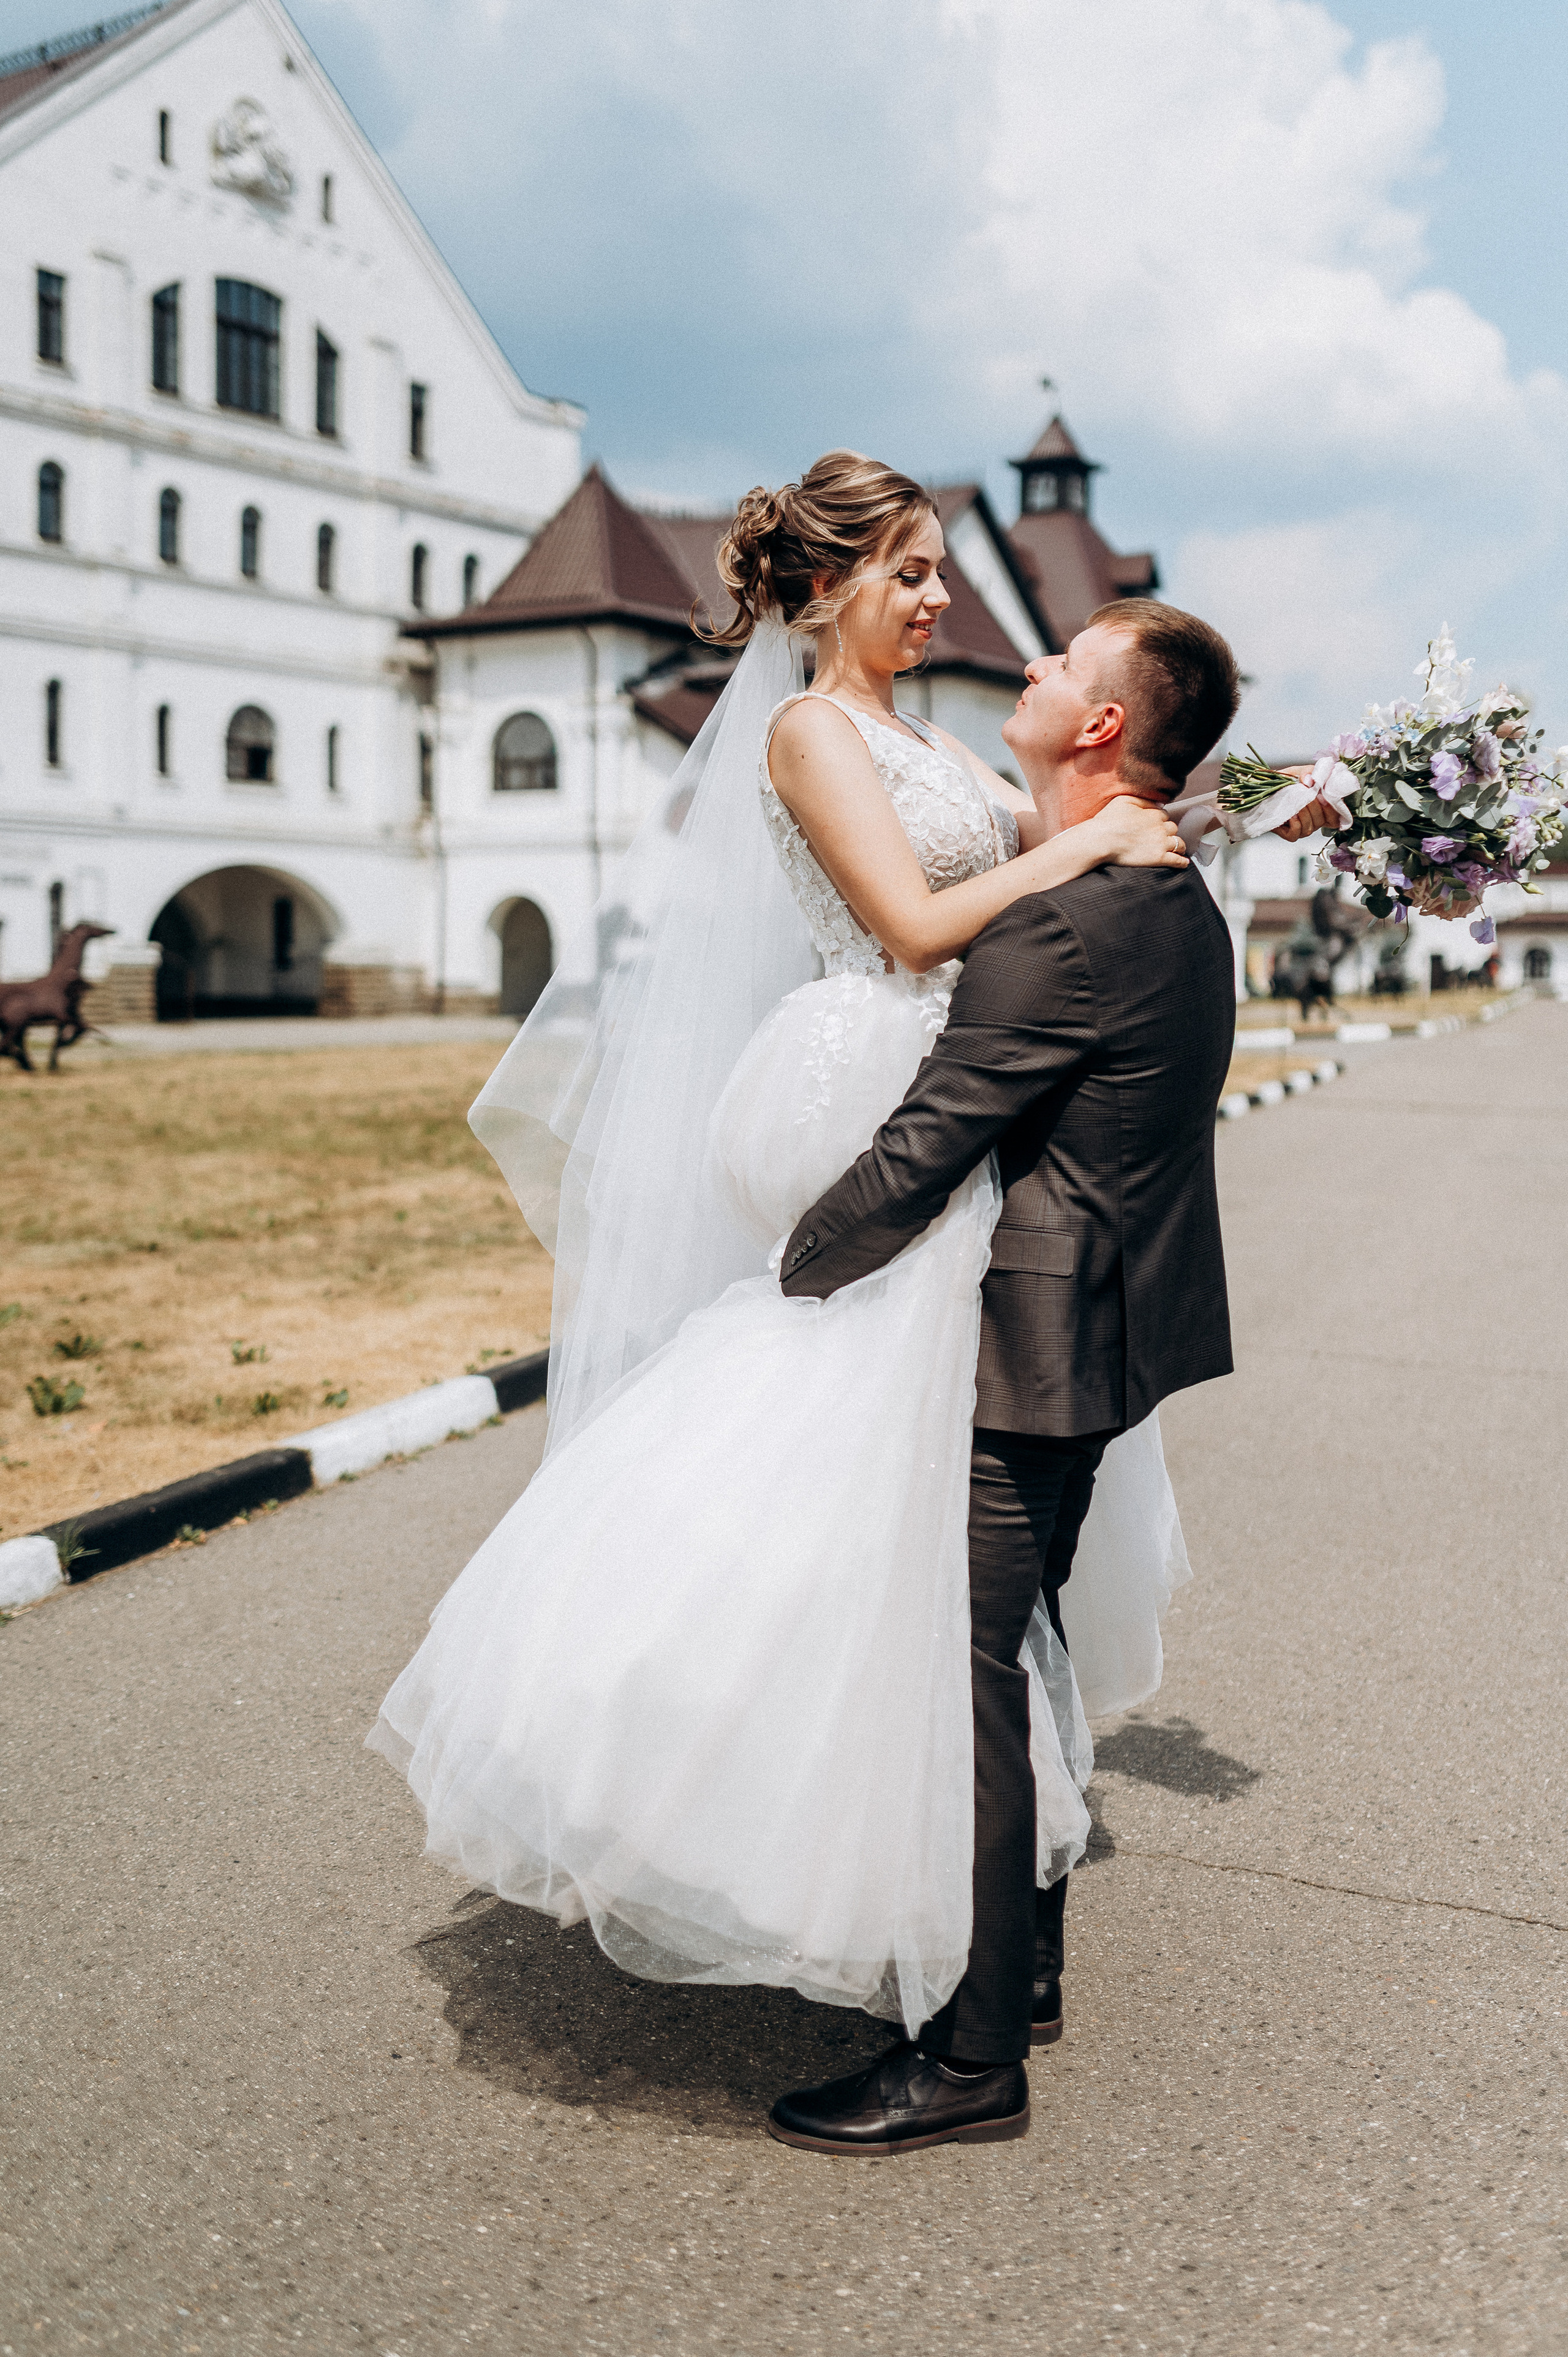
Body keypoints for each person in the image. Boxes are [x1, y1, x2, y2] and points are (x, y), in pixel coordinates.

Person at [368, 452, 1276, 2154]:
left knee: (959, 1591)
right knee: (886, 1547)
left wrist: (1246, 808)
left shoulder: (938, 742)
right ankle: (959, 1956)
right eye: (911, 570)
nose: (940, 600)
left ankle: (980, 1973)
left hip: (973, 1133)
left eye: (938, 568)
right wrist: (1100, 843)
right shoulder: (807, 730)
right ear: (828, 583)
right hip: (887, 1084)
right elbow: (920, 926)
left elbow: (1087, 823)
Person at [764, 596, 1245, 2154]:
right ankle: (1020, 1967)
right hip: (1112, 1331)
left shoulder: (1058, 924)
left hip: (1032, 1344)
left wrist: (791, 1274)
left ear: (1099, 725)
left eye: (1060, 662)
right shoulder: (1167, 895)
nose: (1026, 665)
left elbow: (922, 1149)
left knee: (965, 1669)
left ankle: (969, 2061)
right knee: (1022, 1643)